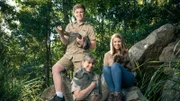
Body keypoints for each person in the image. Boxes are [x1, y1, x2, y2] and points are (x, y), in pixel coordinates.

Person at [47, 4, 96, 101]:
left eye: (81, 12)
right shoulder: (69, 26)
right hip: (68, 55)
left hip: (81, 57)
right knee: (55, 68)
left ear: (84, 13)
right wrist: (61, 34)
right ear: (74, 13)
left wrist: (83, 43)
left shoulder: (89, 27)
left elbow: (94, 46)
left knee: (78, 82)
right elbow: (65, 41)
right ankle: (59, 96)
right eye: (77, 12)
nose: (79, 14)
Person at [103, 34, 135, 101]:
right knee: (105, 68)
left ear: (122, 42)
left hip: (127, 78)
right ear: (112, 43)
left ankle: (118, 93)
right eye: (115, 42)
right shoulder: (107, 55)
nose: (117, 43)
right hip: (115, 81)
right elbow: (107, 73)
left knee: (115, 65)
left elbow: (133, 69)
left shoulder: (127, 52)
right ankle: (112, 93)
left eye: (119, 41)